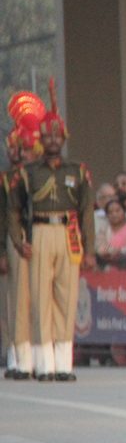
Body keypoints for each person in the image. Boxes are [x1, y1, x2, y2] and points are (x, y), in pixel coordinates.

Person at [6, 97, 96, 382]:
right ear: (40, 141)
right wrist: (19, 241)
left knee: (67, 298)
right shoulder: (27, 174)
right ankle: (44, 364)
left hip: (68, 233)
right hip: (40, 231)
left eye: (57, 135)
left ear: (64, 137)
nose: (53, 140)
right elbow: (13, 210)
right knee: (39, 298)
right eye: (47, 136)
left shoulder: (77, 171)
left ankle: (63, 363)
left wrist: (91, 248)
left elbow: (87, 212)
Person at [2, 123, 39, 379]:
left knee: (39, 298)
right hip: (14, 239)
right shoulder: (6, 179)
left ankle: (41, 355)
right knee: (15, 300)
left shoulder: (40, 175)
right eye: (15, 149)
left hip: (40, 236)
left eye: (24, 148)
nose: (19, 153)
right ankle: (16, 353)